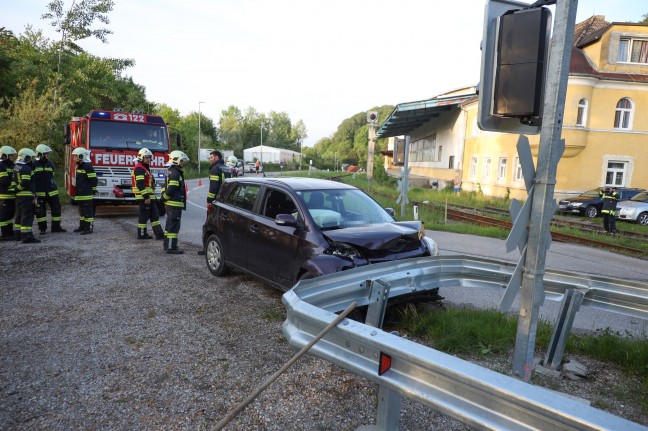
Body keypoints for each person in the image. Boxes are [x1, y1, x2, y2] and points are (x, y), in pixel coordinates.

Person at [33, 144, 67, 234]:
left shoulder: (50, 163)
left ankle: (56, 227)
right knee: (40, 212)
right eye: (46, 154)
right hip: (40, 193)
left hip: (52, 192)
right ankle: (42, 229)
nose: (47, 155)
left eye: (48, 154)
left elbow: (51, 176)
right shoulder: (33, 165)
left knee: (56, 209)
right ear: (40, 154)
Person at [132, 148, 164, 240]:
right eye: (147, 158)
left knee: (155, 215)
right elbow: (140, 184)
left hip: (150, 196)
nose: (149, 159)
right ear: (141, 158)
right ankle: (141, 234)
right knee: (144, 216)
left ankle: (159, 234)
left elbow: (148, 183)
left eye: (150, 158)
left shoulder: (145, 168)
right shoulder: (139, 168)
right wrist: (146, 197)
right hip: (144, 197)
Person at [162, 150, 189, 254]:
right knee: (174, 226)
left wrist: (163, 198)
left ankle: (166, 245)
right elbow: (172, 188)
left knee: (169, 225)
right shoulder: (176, 172)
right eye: (182, 161)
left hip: (170, 204)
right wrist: (164, 198)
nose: (183, 163)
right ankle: (171, 247)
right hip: (174, 204)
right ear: (177, 160)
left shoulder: (169, 170)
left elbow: (164, 186)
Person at [13, 148, 40, 243]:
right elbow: (25, 182)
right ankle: (26, 236)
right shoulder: (26, 168)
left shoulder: (17, 166)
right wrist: (18, 189)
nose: (31, 160)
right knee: (27, 216)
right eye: (30, 158)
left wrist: (16, 190)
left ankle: (18, 234)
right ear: (26, 157)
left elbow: (14, 180)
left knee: (19, 215)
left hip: (19, 196)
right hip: (26, 196)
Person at [71, 147, 97, 235]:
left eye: (76, 156)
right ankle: (82, 227)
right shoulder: (79, 166)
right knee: (81, 213)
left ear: (82, 156)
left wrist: (92, 190)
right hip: (80, 194)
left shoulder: (88, 166)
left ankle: (88, 228)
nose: (75, 158)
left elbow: (94, 181)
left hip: (86, 194)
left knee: (87, 212)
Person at [0, 145, 18, 241]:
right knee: (4, 215)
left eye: (13, 155)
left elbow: (18, 176)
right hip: (3, 196)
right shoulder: (1, 165)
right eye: (11, 155)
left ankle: (10, 232)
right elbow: (4, 181)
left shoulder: (13, 165)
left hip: (11, 195)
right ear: (4, 155)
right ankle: (4, 234)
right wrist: (14, 184)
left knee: (10, 215)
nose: (13, 157)